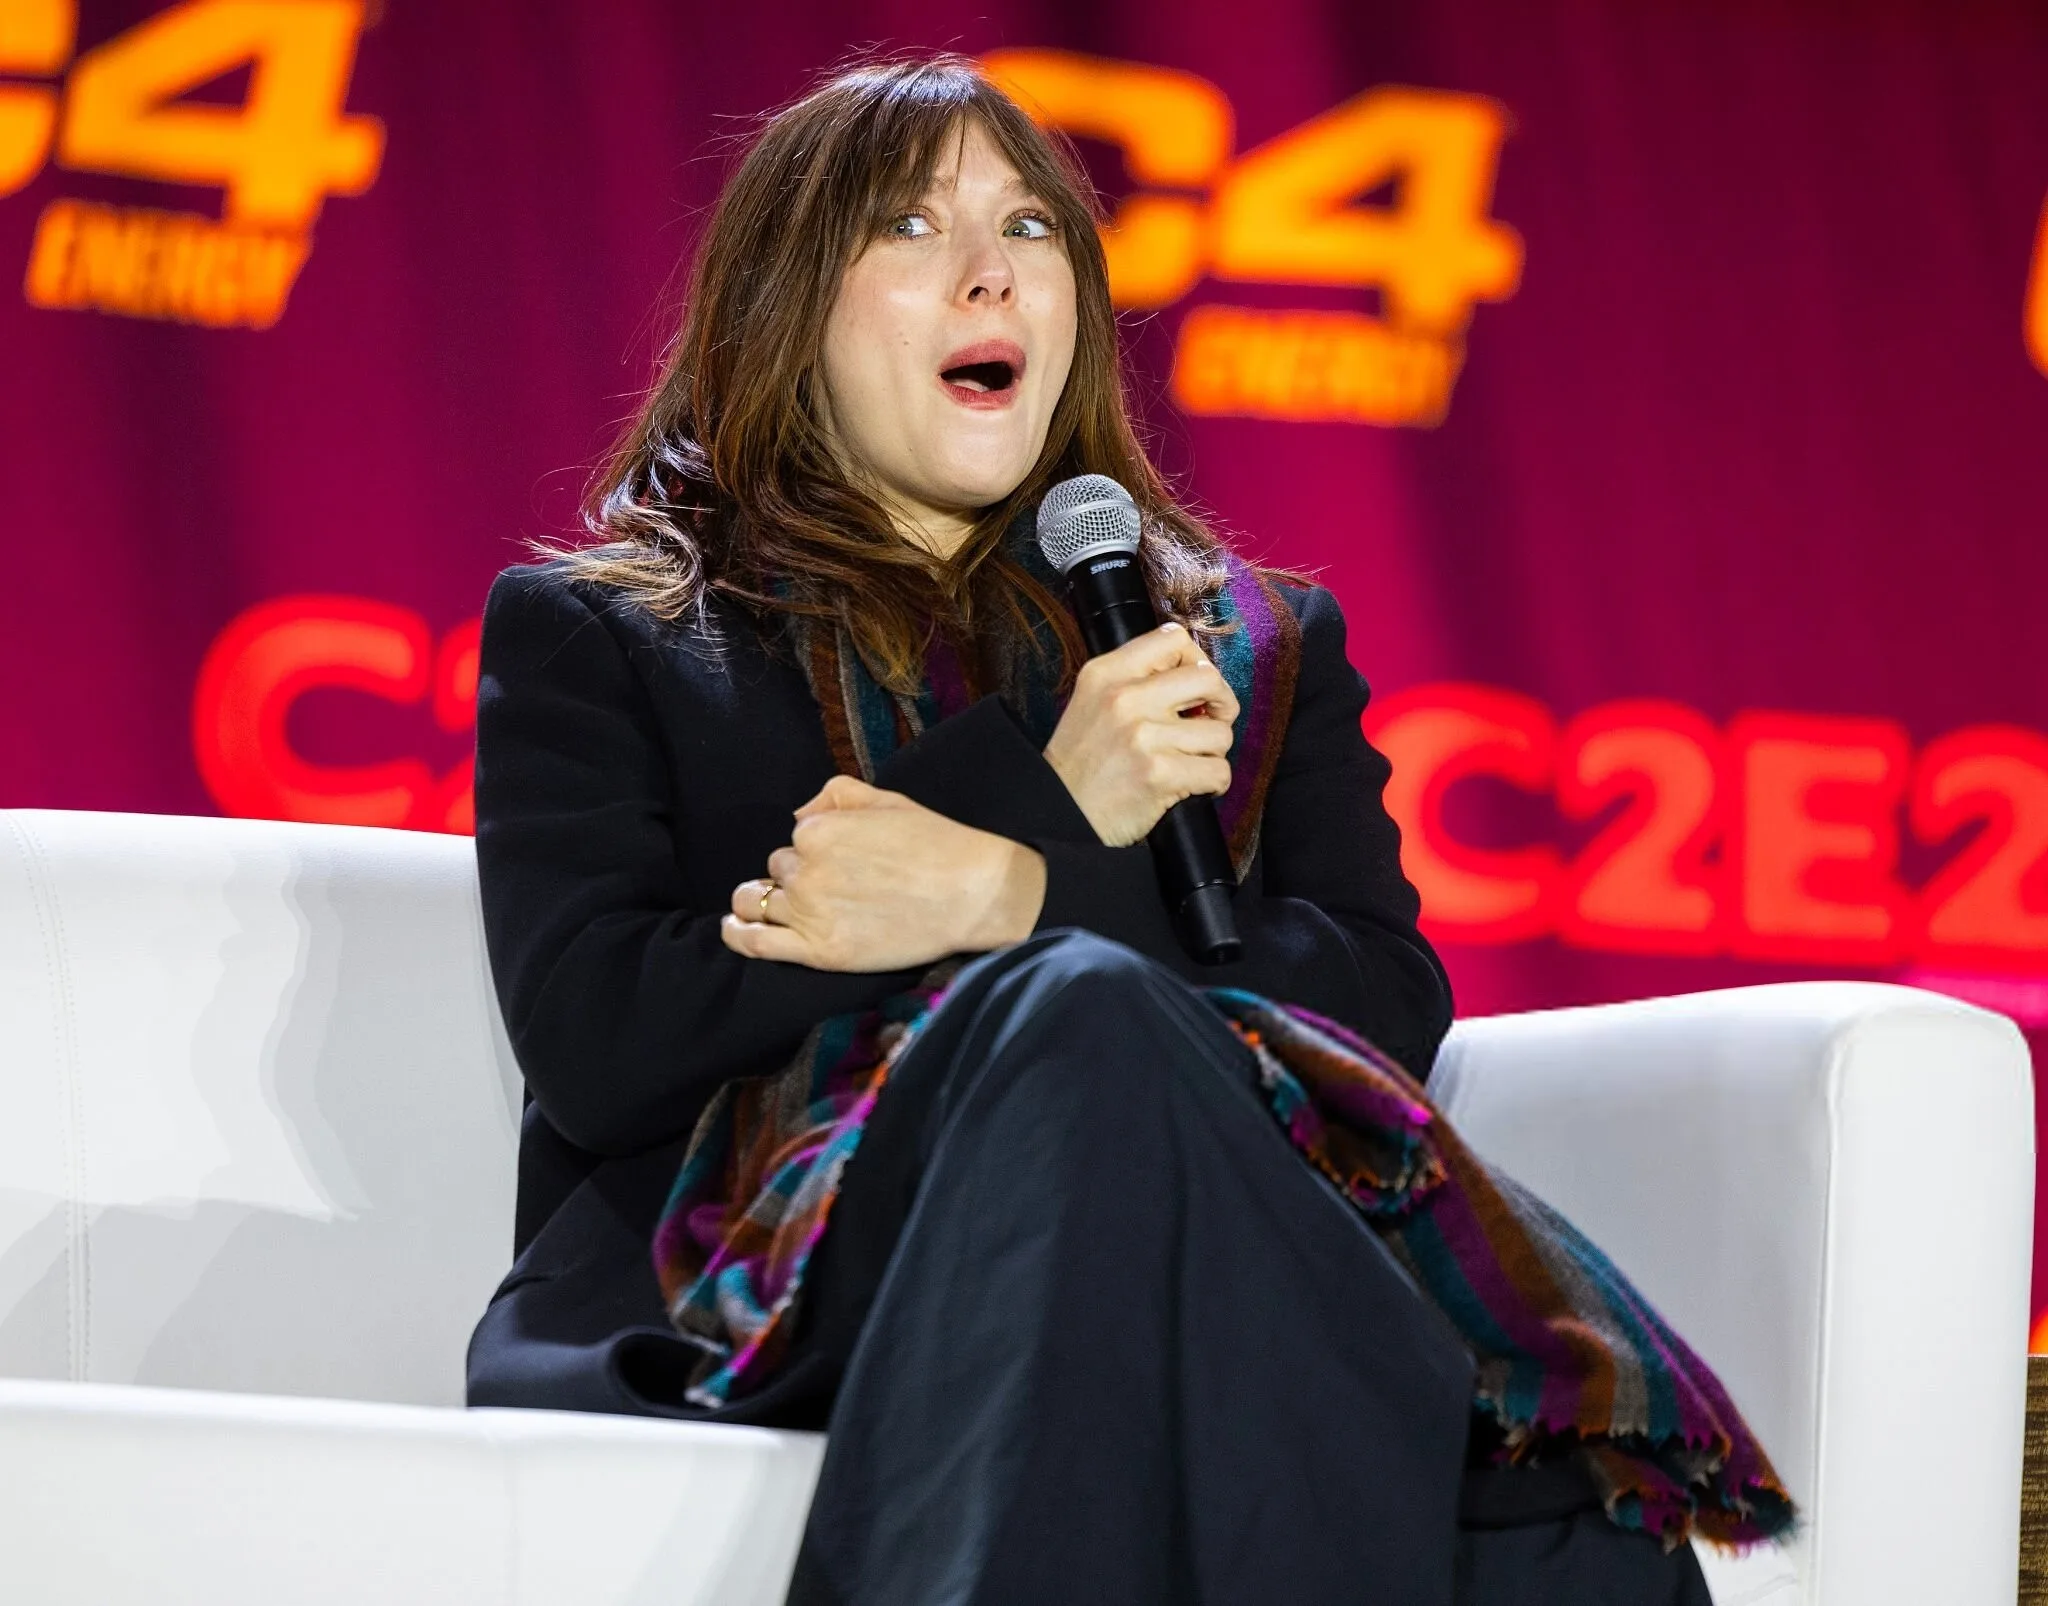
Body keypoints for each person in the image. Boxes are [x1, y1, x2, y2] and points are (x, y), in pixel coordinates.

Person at [464, 51, 1718, 1606]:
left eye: (1032, 228)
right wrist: (1044, 806)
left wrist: (1003, 887)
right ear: (783, 308)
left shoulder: (1248, 644)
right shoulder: (618, 631)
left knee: (1572, 1504)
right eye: (909, 228)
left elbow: (1382, 1011)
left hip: (1195, 1244)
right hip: (747, 1270)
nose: (990, 270)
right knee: (1089, 1023)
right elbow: (600, 1040)